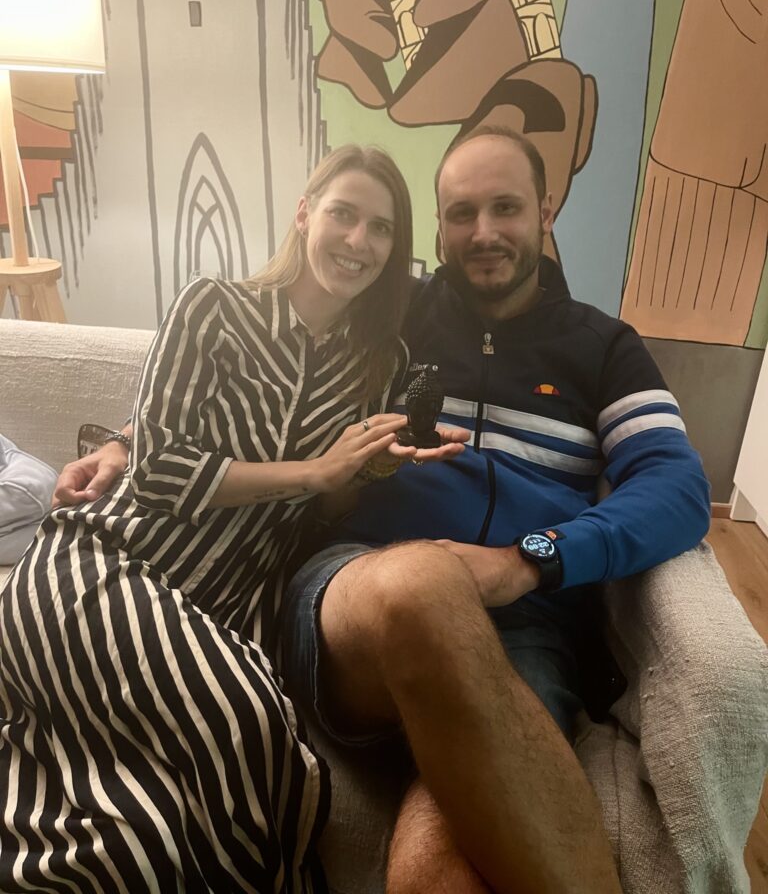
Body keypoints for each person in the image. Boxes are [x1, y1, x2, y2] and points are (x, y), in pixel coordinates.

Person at [52, 127, 711, 893]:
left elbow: (676, 486)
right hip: (356, 584)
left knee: (439, 876)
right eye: (461, 213)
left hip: (525, 624)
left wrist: (528, 560)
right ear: (438, 225)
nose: (484, 232)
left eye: (505, 208)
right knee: (421, 586)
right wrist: (126, 440)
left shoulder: (604, 347)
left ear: (546, 210)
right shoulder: (392, 311)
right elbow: (252, 377)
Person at [0, 144, 468, 894]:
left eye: (381, 227)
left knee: (146, 838)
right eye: (344, 214)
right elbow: (160, 467)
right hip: (107, 567)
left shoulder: (379, 363)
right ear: (305, 213)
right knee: (253, 728)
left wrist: (366, 469)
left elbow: (325, 514)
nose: (359, 240)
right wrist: (315, 468)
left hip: (223, 610)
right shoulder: (213, 307)